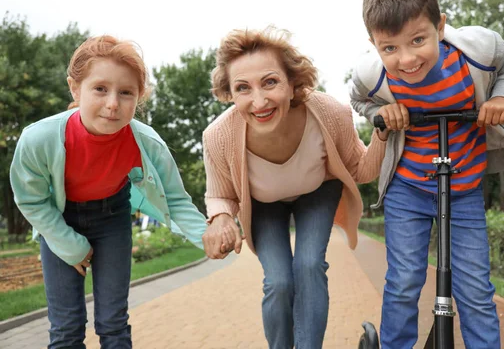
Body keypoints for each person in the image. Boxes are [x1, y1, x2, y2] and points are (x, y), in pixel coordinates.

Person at [349, 0, 504, 349]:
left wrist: (503, 96)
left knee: (476, 289)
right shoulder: (372, 74)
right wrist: (380, 115)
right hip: (407, 188)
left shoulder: (477, 52)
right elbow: (358, 100)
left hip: (462, 189)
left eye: (418, 40)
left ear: (440, 26)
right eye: (390, 48)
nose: (406, 59)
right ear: (374, 43)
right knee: (403, 281)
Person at [10, 36, 208, 349]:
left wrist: (208, 237)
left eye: (126, 92)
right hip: (58, 220)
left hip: (113, 218)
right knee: (66, 328)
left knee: (113, 324)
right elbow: (31, 200)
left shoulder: (146, 143)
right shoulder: (38, 139)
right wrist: (71, 246)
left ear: (138, 97)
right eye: (100, 88)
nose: (113, 103)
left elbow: (175, 200)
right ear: (75, 89)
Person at [201, 26, 387, 348]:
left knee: (309, 265)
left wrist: (384, 132)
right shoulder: (218, 136)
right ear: (230, 93)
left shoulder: (330, 113)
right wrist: (219, 219)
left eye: (270, 82)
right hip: (263, 204)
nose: (259, 101)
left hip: (317, 191)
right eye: (243, 88)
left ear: (292, 83)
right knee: (278, 282)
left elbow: (360, 168)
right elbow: (221, 194)